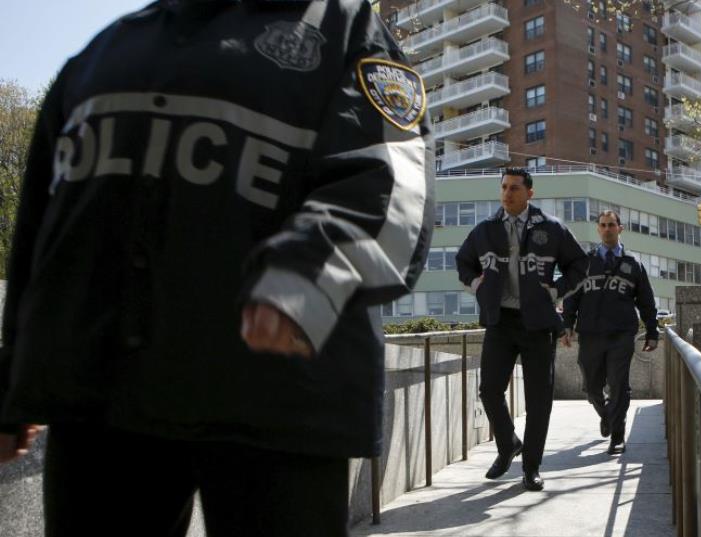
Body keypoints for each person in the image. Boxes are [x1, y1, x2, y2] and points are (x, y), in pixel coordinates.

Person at [0, 0, 434, 535]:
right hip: (100, 406)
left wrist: (306, 281)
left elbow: (393, 191)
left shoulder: (346, 31)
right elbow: (40, 233)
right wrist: (12, 379)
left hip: (275, 402)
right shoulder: (104, 50)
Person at [456, 168, 587, 491]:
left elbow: (579, 264)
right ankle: (507, 444)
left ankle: (531, 467)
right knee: (489, 389)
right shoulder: (485, 230)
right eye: (503, 187)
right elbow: (463, 261)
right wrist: (476, 284)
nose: (507, 193)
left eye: (514, 188)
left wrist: (556, 291)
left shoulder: (551, 228)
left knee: (539, 399)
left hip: (538, 323)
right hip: (500, 321)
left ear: (530, 192)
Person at [561, 210, 658, 455]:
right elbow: (572, 297)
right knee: (592, 386)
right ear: (598, 229)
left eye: (611, 225)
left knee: (619, 385)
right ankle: (606, 414)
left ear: (620, 228)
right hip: (591, 333)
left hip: (621, 334)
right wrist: (567, 326)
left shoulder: (633, 264)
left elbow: (646, 301)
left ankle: (617, 436)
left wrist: (652, 332)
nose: (607, 229)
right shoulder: (585, 263)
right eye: (603, 225)